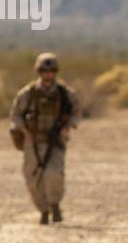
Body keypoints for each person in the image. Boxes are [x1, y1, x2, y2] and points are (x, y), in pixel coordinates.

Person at [9, 52, 78, 225]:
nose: (48, 74)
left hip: (55, 142)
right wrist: (26, 133)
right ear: (39, 72)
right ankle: (43, 209)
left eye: (51, 70)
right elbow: (15, 115)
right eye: (44, 71)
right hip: (33, 141)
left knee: (54, 173)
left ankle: (54, 204)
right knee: (32, 176)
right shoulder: (28, 93)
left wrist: (67, 127)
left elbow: (76, 112)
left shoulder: (64, 93)